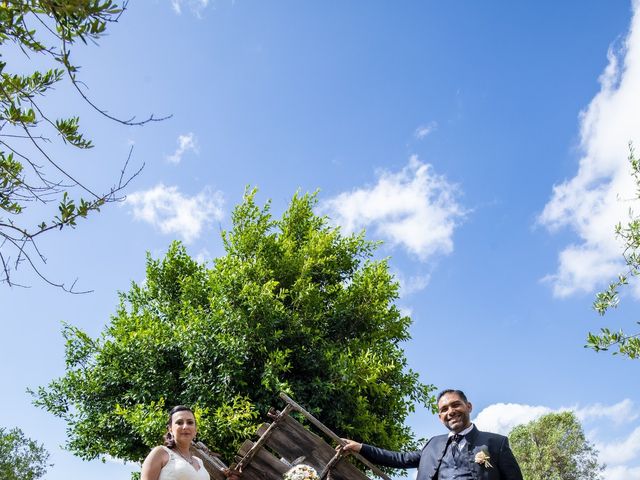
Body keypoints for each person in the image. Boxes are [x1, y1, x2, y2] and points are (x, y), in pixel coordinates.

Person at [342, 389, 523, 480]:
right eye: (444, 409)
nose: (450, 411)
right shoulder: (433, 445)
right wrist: (360, 448)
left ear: (468, 406)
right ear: (439, 417)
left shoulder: (496, 443)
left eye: (456, 405)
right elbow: (400, 458)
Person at [141, 405, 211, 480]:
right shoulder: (160, 453)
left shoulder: (199, 461)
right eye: (179, 422)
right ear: (170, 429)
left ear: (195, 430)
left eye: (190, 422)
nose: (185, 426)